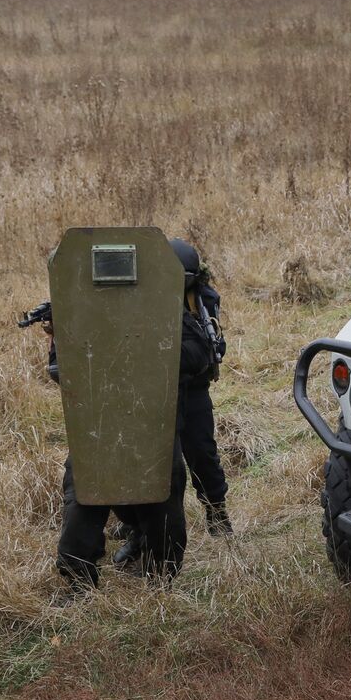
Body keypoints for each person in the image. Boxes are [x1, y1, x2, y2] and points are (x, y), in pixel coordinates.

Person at [52, 272, 216, 595]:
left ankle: (159, 575)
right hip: (100, 423)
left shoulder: (163, 311)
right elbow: (60, 370)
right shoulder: (81, 314)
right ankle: (79, 582)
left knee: (163, 490)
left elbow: (197, 354)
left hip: (152, 423)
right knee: (84, 491)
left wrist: (146, 350)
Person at [114, 238, 231, 569]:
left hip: (191, 389)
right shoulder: (138, 296)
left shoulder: (201, 300)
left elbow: (212, 347)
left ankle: (216, 510)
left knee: (202, 454)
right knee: (152, 465)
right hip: (150, 392)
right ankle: (139, 533)